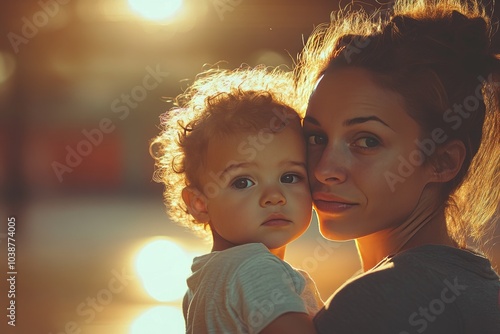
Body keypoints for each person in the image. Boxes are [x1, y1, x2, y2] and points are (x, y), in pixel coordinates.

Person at [294, 0, 500, 333]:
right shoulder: (475, 285)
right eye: (315, 136)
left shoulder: (380, 300)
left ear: (442, 161)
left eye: (367, 141)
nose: (324, 169)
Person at [150, 66, 322, 334]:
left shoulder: (202, 283)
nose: (274, 197)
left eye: (290, 177)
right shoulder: (255, 269)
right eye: (243, 182)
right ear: (200, 203)